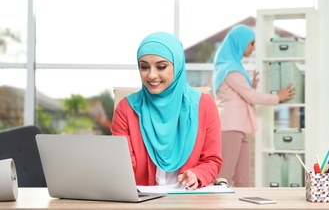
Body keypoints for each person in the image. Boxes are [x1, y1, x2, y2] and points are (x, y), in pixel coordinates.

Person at [111, 32, 223, 190]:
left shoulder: (204, 106)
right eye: (144, 67)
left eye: (161, 66)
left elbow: (212, 160)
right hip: (143, 201)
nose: (151, 75)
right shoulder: (126, 109)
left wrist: (197, 175)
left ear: (177, 66)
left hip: (188, 200)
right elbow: (123, 164)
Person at [212, 24, 295, 187]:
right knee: (224, 177)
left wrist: (252, 85)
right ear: (240, 43)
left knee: (243, 180)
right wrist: (278, 96)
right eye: (252, 43)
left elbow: (243, 96)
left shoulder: (232, 68)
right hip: (230, 128)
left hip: (238, 128)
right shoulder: (231, 70)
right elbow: (251, 97)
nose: (254, 48)